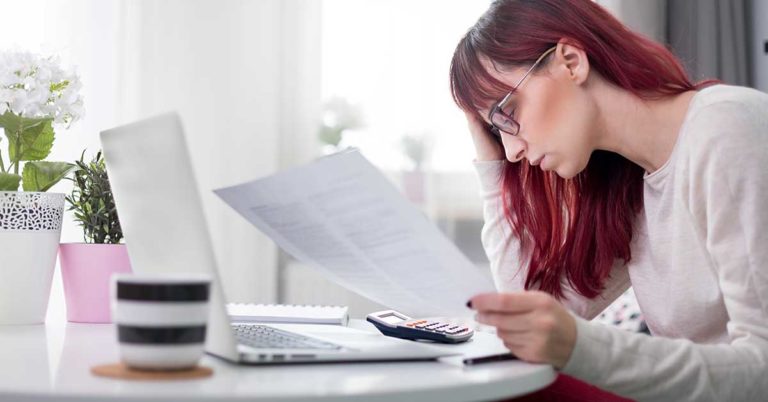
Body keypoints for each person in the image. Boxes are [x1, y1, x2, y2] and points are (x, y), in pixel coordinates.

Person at [450, 0, 768, 400]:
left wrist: (583, 348)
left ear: (570, 62)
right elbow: (529, 312)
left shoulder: (726, 130)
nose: (512, 151)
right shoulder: (626, 189)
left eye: (507, 111)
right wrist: (490, 159)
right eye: (497, 131)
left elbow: (763, 371)